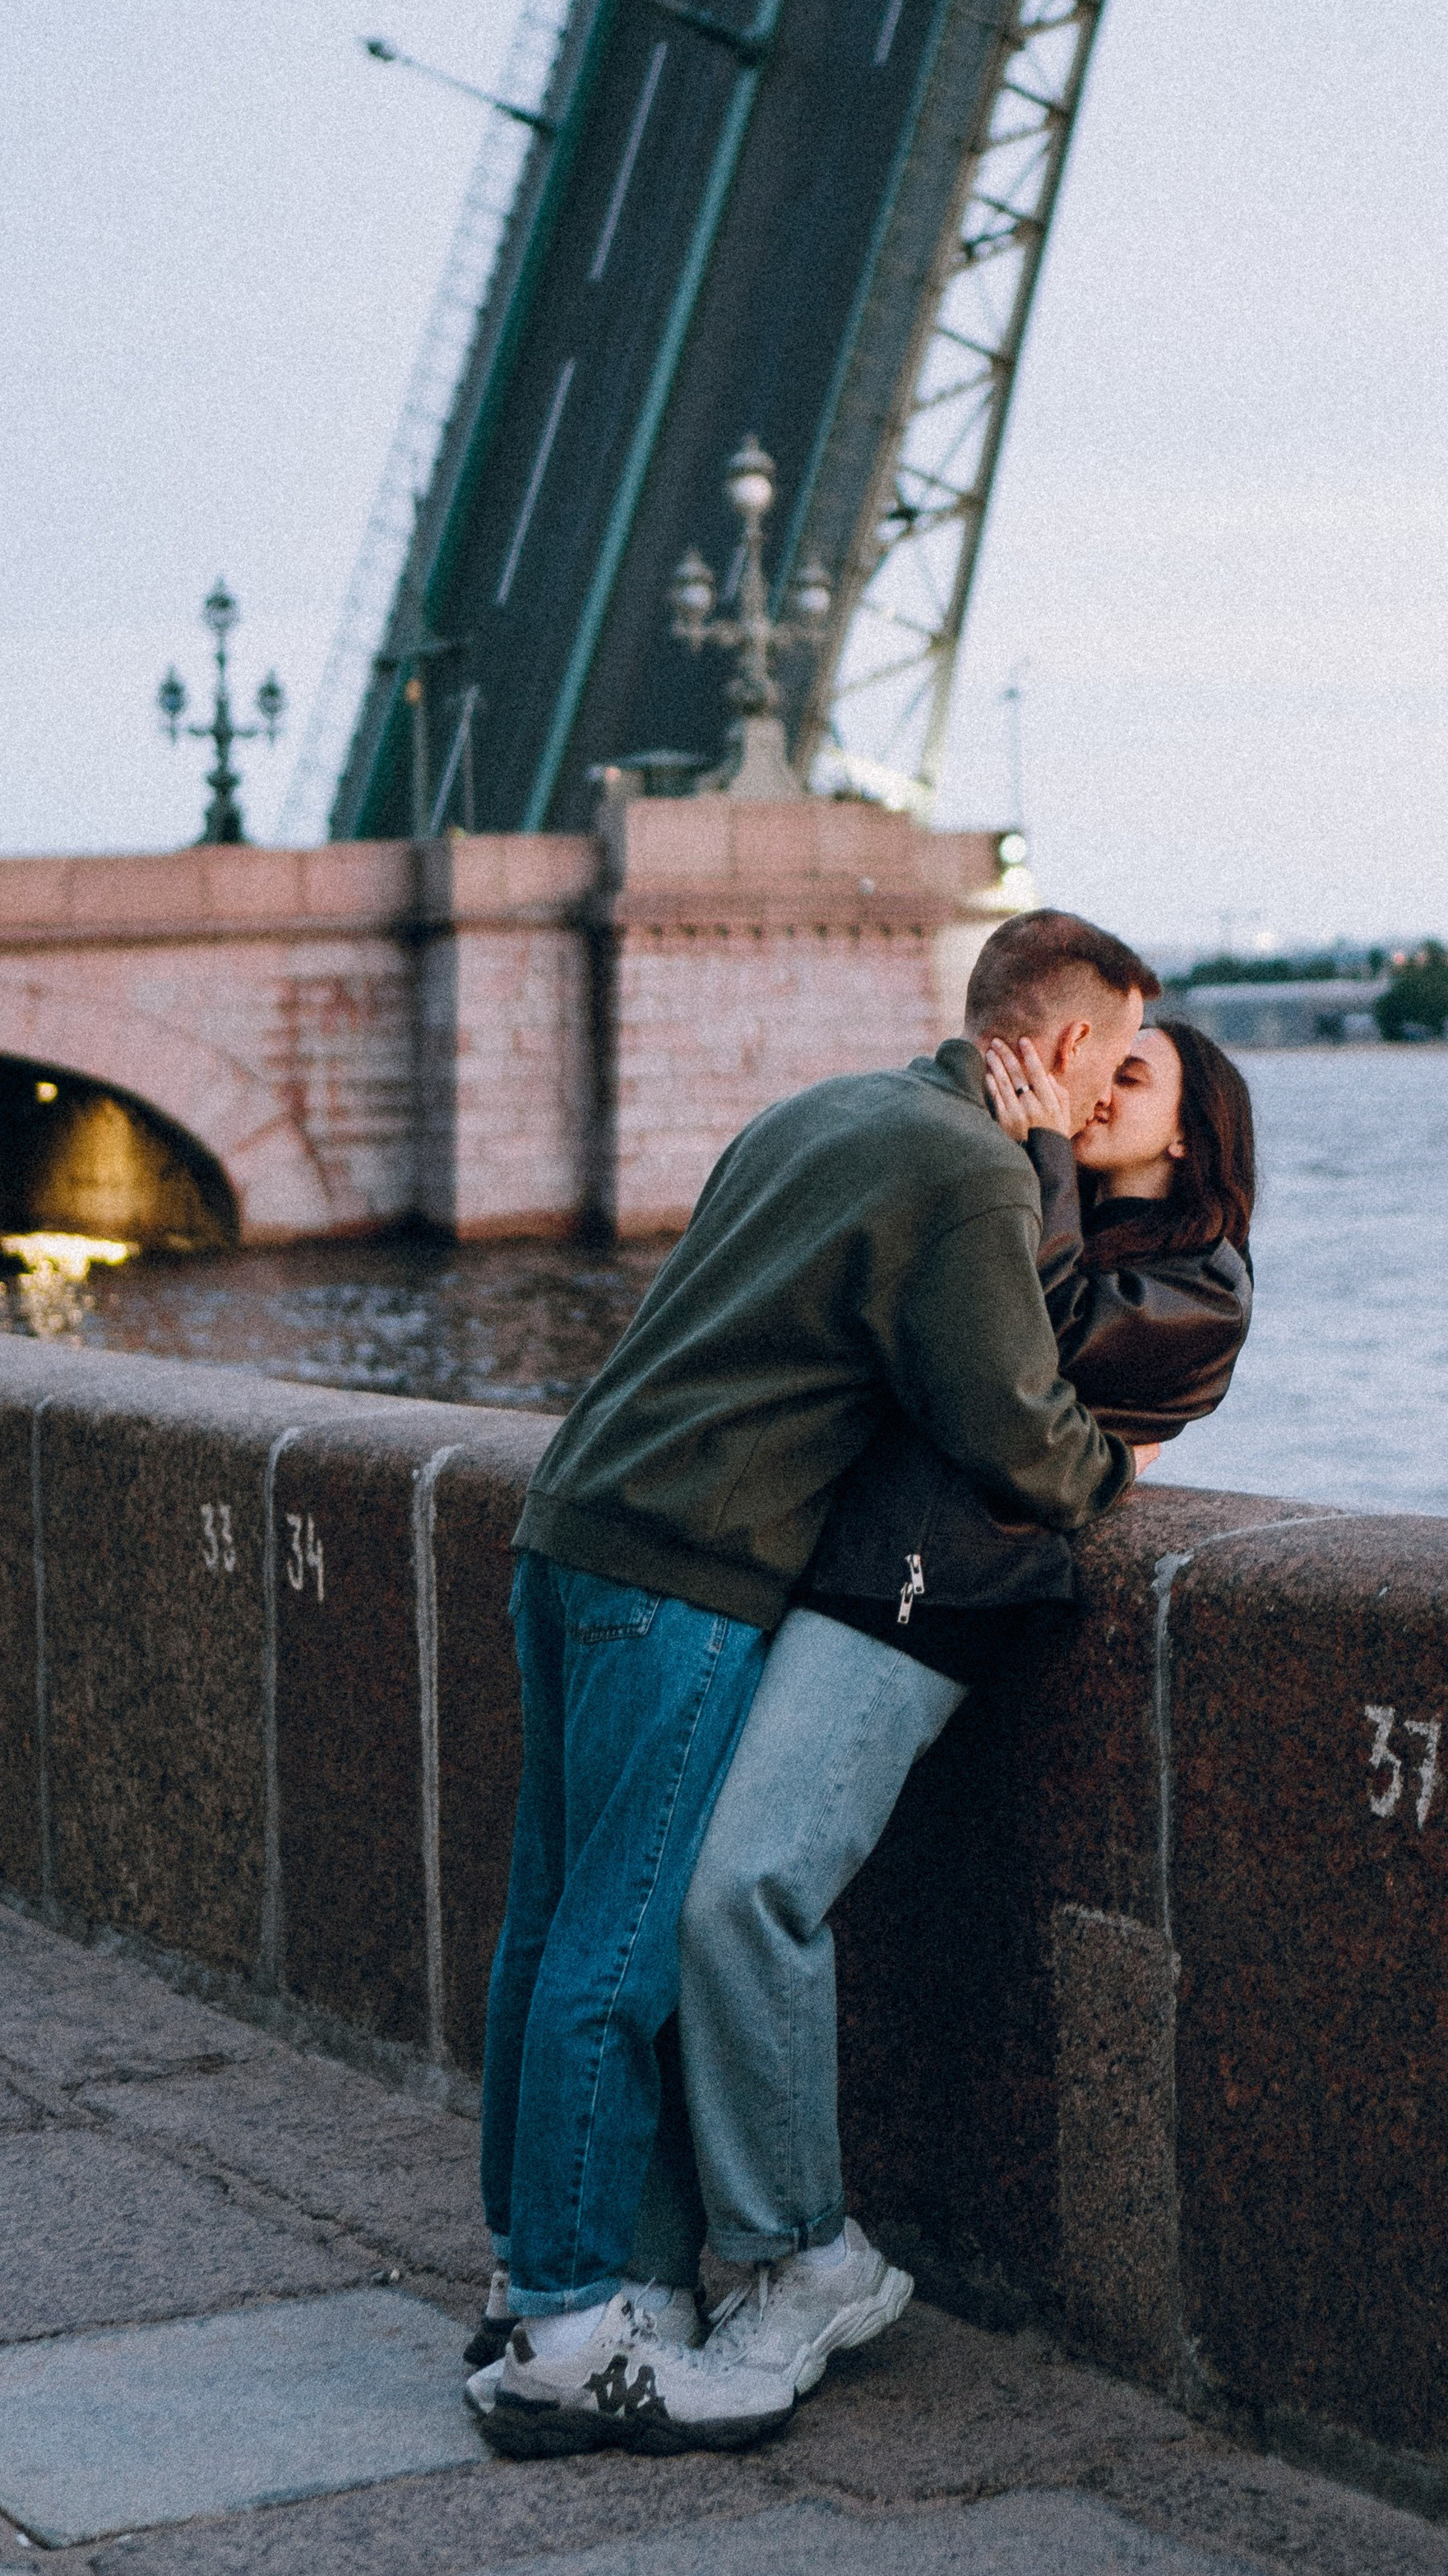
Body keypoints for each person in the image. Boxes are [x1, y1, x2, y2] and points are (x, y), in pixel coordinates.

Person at [474, 909, 1160, 2460]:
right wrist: (1116, 1471)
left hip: (568, 1529)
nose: (1113, 1088)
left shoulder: (815, 1110)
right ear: (1059, 1049)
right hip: (688, 1568)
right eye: (1113, 1060)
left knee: (540, 1926)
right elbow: (1009, 1422)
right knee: (621, 1949)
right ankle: (577, 2333)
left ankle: (530, 2280)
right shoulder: (972, 1168)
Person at [631, 1009, 1256, 2412]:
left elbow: (1030, 1356)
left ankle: (805, 2258)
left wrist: (1032, 1148)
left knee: (748, 1890)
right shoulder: (1019, 1195)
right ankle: (687, 2258)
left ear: (1192, 1129)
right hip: (835, 1568)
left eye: (1132, 1078)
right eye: (1093, 1066)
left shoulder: (1198, 1285)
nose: (1096, 1089)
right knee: (689, 1896)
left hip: (928, 1601)